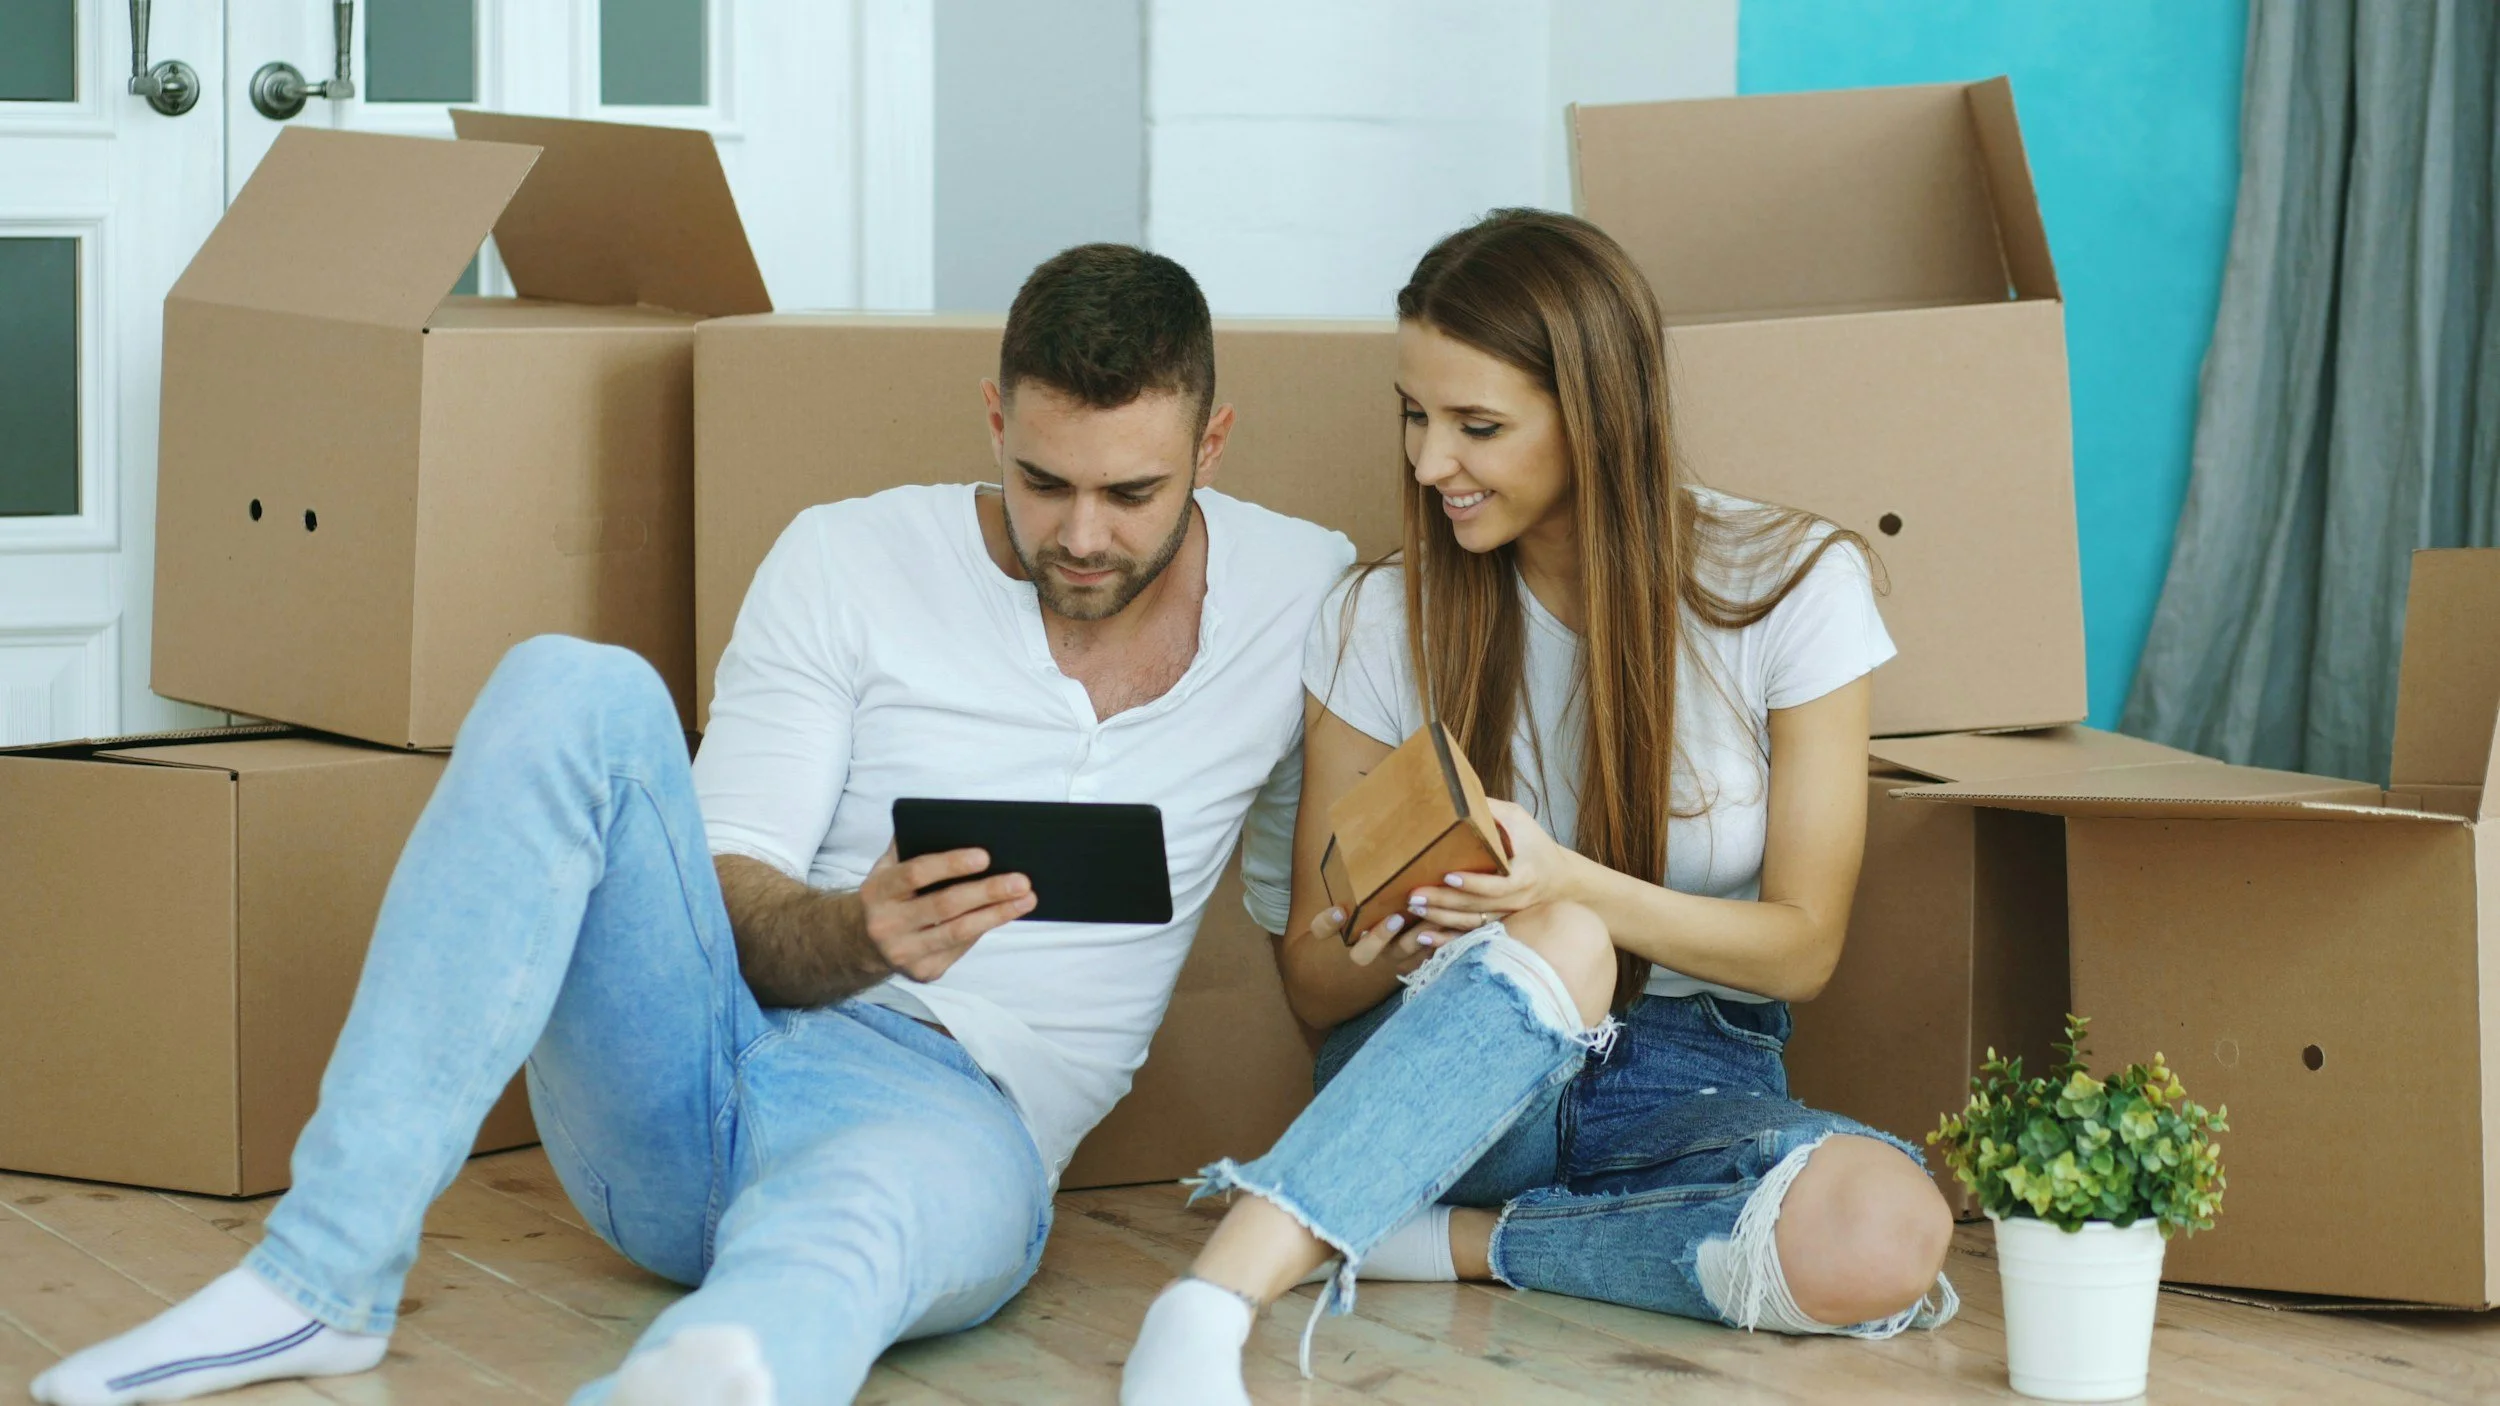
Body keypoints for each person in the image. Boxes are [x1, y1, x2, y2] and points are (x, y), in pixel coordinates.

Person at [32, 244, 1354, 1406]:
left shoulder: (1304, 596)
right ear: (995, 418)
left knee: (842, 1234)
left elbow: (1313, 913)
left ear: (1212, 448)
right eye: (1043, 481)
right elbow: (723, 891)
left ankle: (722, 1367)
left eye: (1131, 494)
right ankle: (319, 1274)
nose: (1081, 534)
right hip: (691, 1066)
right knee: (571, 684)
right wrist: (861, 932)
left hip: (961, 1119)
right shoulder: (846, 557)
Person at [1121, 209, 1959, 1405]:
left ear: (1596, 415)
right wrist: (1415, 925)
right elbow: (1311, 979)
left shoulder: (1789, 587)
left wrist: (1567, 879)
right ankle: (1210, 1303)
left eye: (1477, 426)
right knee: (1557, 939)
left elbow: (1803, 947)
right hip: (1449, 1063)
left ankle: (1446, 1240)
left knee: (1885, 1231)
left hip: (1685, 1075)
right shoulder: (1378, 617)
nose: (1429, 464)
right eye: (1414, 415)